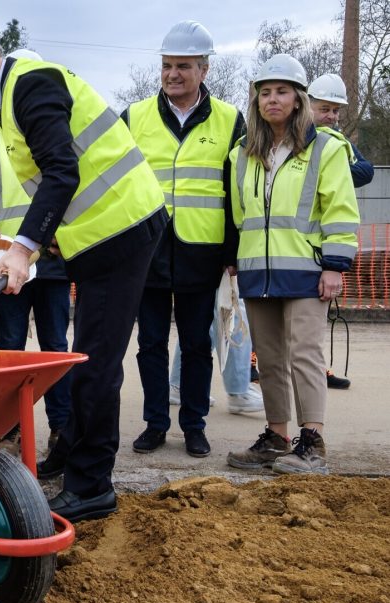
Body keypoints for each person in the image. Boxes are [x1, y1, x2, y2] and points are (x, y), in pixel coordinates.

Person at [0, 19, 167, 522]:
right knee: (86, 359)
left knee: (97, 364)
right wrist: (51, 237)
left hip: (123, 230)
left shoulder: (30, 84)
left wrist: (23, 249)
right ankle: (71, 454)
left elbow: (62, 170)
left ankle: (92, 486)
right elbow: (57, 176)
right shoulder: (7, 102)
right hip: (101, 235)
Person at [225, 55, 360, 475]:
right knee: (268, 360)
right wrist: (234, 262)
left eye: (282, 91)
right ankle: (277, 437)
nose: (273, 99)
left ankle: (313, 443)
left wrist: (335, 265)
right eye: (265, 92)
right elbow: (238, 215)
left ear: (299, 98)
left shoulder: (326, 149)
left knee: (305, 355)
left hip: (308, 270)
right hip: (257, 272)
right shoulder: (242, 154)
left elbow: (340, 210)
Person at [123, 21, 245, 458]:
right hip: (147, 250)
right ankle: (155, 424)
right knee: (151, 343)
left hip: (202, 251)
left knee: (197, 345)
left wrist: (232, 253)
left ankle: (194, 425)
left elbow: (236, 190)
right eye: (167, 65)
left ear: (203, 70)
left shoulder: (230, 120)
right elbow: (117, 182)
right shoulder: (134, 116)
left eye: (183, 66)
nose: (172, 74)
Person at [0, 92, 73, 455]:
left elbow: (71, 182)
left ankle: (61, 428)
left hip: (53, 256)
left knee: (55, 347)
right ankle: (10, 431)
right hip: (6, 261)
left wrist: (62, 232)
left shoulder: (51, 128)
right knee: (9, 349)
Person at [307, 72, 374, 391]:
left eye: (335, 110)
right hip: (291, 242)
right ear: (307, 105)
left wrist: (332, 167)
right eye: (324, 109)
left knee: (313, 315)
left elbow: (366, 171)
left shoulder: (338, 142)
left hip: (322, 241)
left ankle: (317, 368)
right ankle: (254, 362)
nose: (331, 116)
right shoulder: (293, 136)